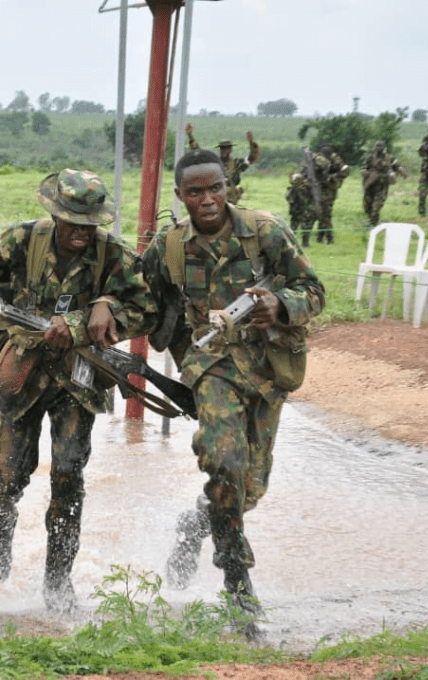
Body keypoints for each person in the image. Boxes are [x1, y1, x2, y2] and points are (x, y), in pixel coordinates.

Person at [0, 169, 154, 613]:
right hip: (22, 370)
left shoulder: (114, 256)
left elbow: (146, 308)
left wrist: (100, 310)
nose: (80, 232)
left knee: (69, 476)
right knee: (5, 475)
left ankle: (58, 581)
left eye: (89, 223)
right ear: (54, 214)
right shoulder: (20, 241)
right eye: (72, 222)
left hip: (79, 376)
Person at [142, 149, 325, 636]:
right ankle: (239, 587)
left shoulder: (264, 232)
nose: (208, 200)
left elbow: (314, 288)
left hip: (267, 369)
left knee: (248, 490)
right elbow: (140, 301)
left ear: (229, 187)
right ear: (180, 196)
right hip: (211, 366)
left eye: (216, 188)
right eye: (196, 192)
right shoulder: (170, 247)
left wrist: (280, 306)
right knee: (225, 463)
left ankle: (195, 525)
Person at [186, 124, 260, 204]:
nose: (224, 151)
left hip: (231, 200)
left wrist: (251, 142)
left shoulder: (237, 164)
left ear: (231, 150)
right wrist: (190, 136)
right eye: (222, 148)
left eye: (226, 148)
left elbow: (252, 159)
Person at [307, 143, 349, 245]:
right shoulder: (317, 159)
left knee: (325, 214)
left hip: (329, 190)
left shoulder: (335, 160)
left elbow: (343, 172)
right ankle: (320, 237)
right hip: (319, 189)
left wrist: (330, 178)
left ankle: (329, 239)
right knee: (320, 213)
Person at [361, 141, 407, 226]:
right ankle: (371, 219)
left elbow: (397, 166)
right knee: (367, 206)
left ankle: (372, 224)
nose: (379, 148)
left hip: (382, 185)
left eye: (381, 146)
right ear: (375, 147)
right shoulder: (370, 157)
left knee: (376, 206)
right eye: (377, 146)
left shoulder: (389, 157)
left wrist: (402, 172)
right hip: (370, 184)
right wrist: (366, 173)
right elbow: (364, 168)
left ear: (384, 147)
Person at [286, 169, 318, 248]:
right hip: (296, 211)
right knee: (294, 228)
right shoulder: (293, 189)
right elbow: (289, 198)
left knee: (305, 228)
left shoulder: (305, 189)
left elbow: (306, 200)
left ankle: (305, 243)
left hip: (304, 211)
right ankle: (292, 243)